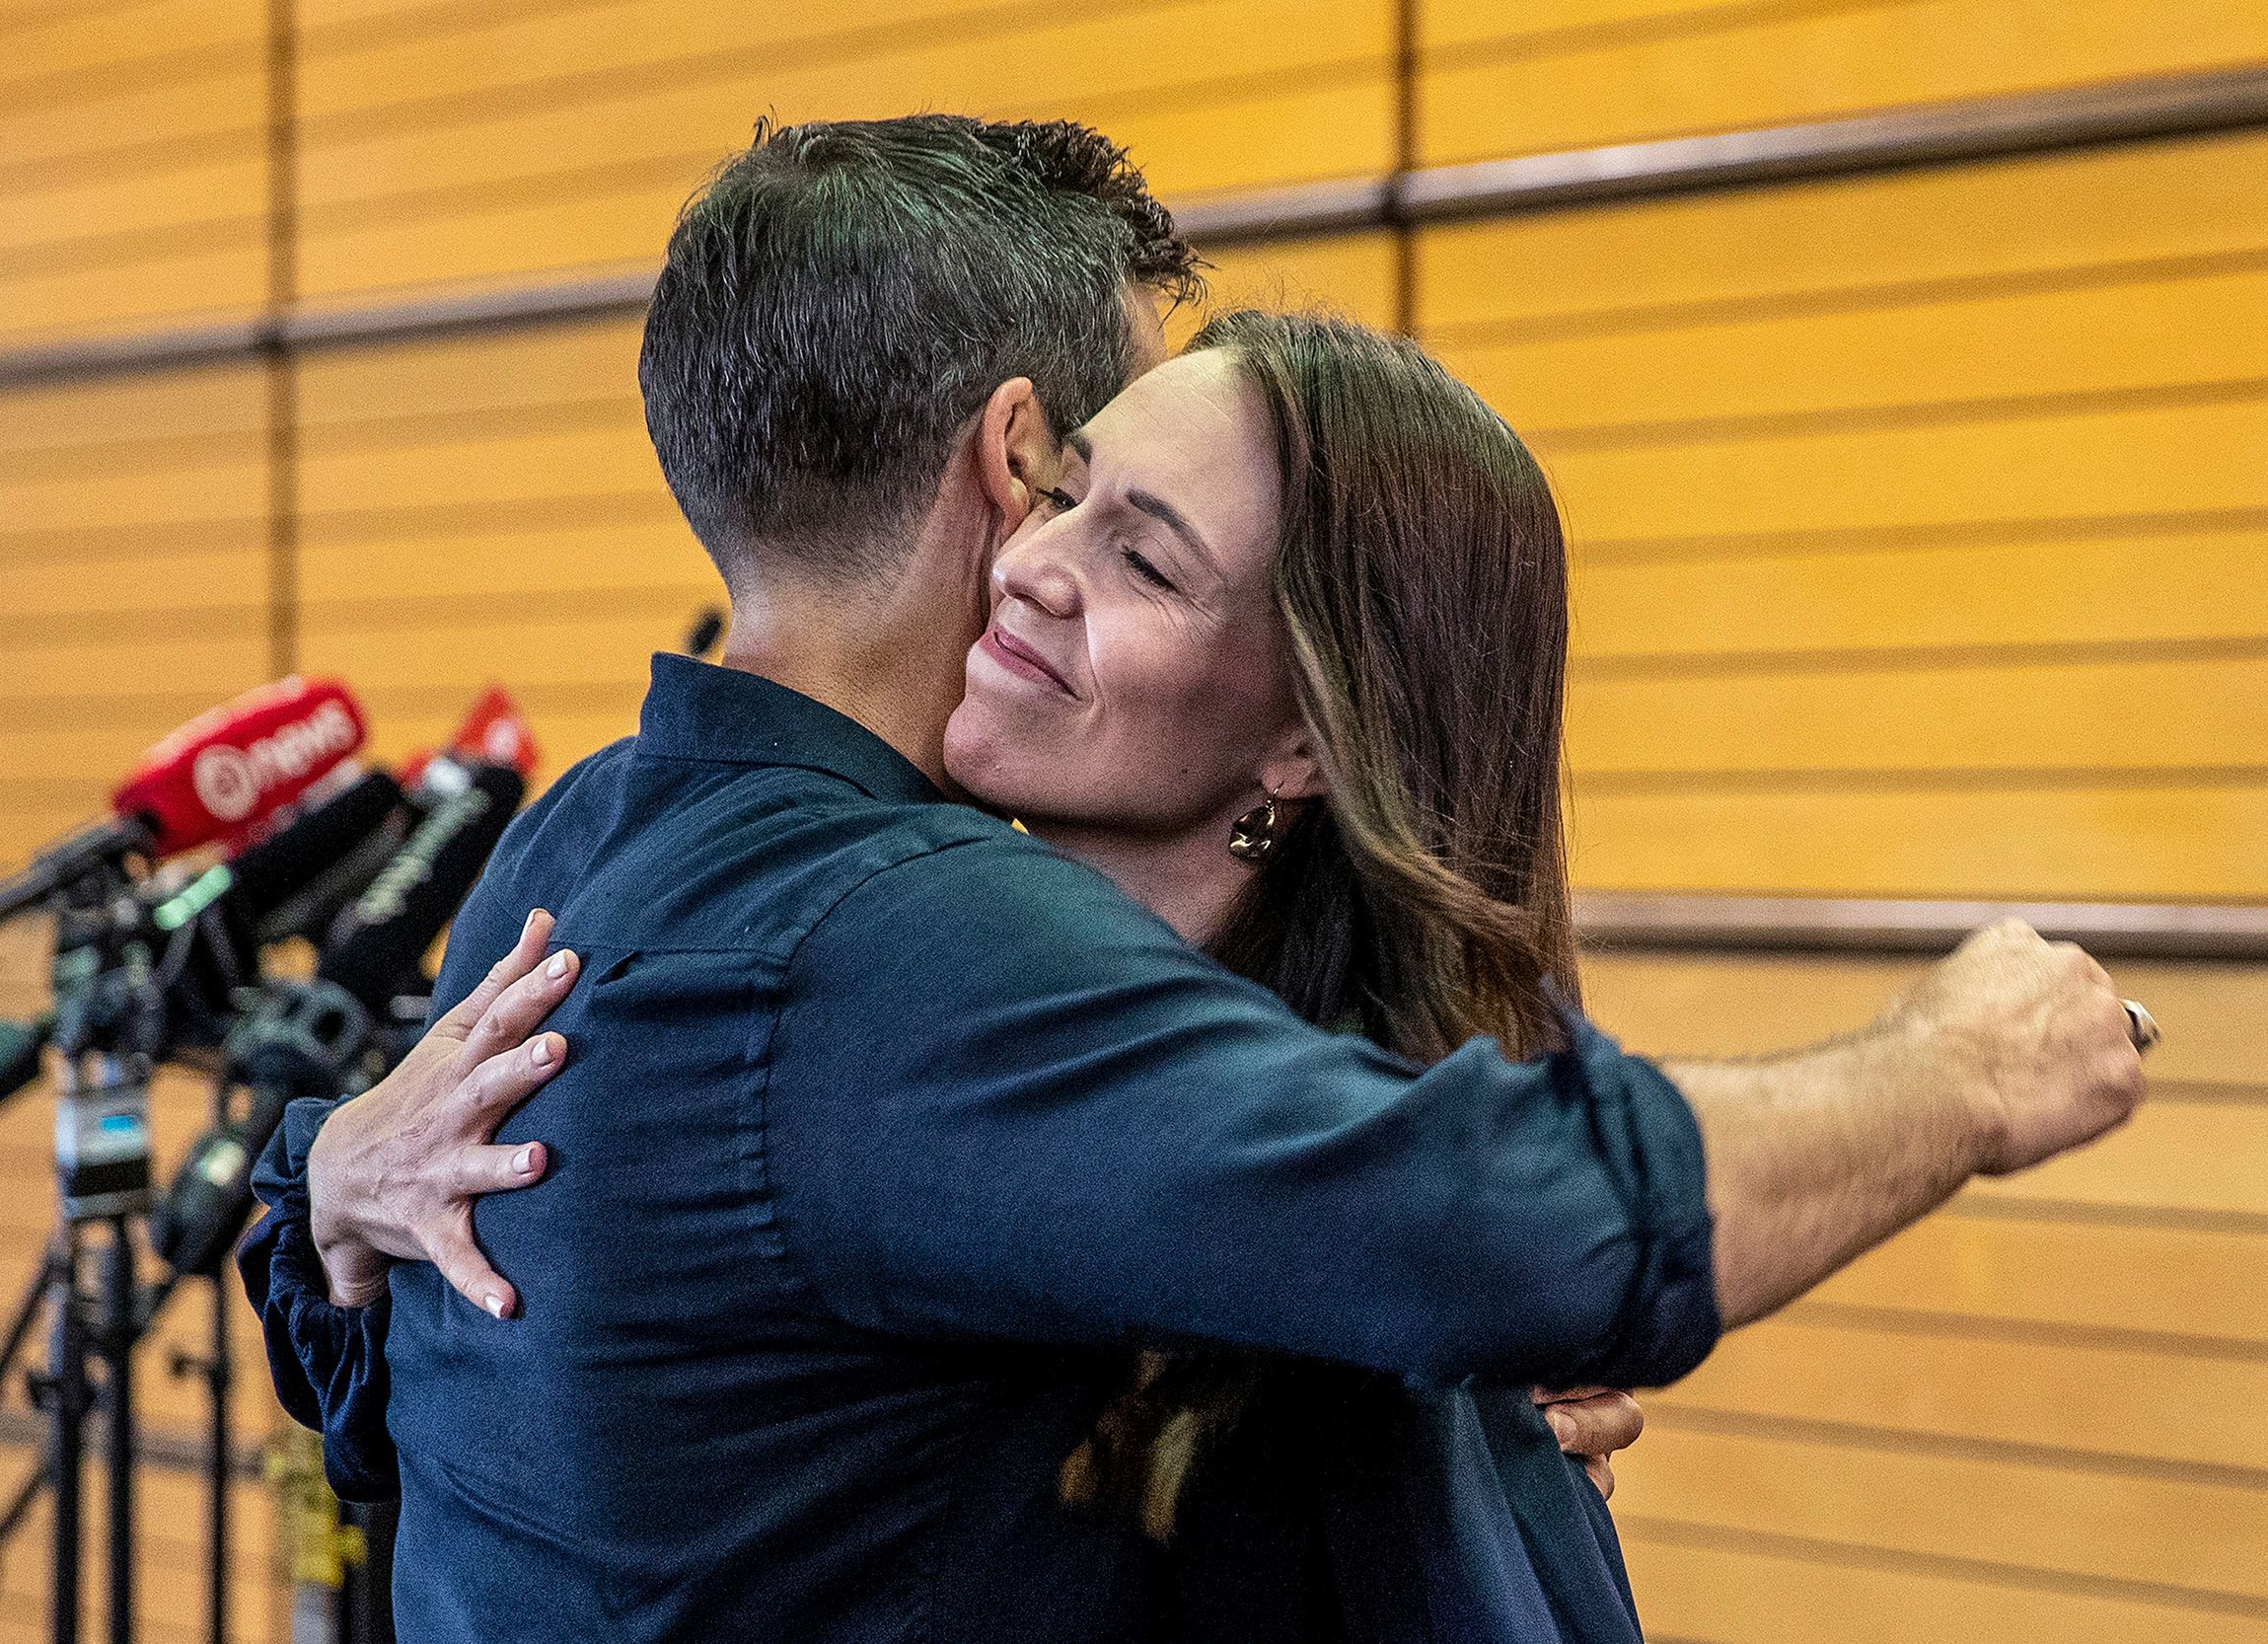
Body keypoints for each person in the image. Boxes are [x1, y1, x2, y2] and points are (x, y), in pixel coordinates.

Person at [242, 115, 2147, 1642]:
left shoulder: (583, 830)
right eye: (1073, 491)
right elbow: (1499, 1226)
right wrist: (1958, 1066)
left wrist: (1379, 1398)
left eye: (1146, 553)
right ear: (1007, 456)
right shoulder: (913, 958)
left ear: (1308, 734)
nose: (1055, 562)